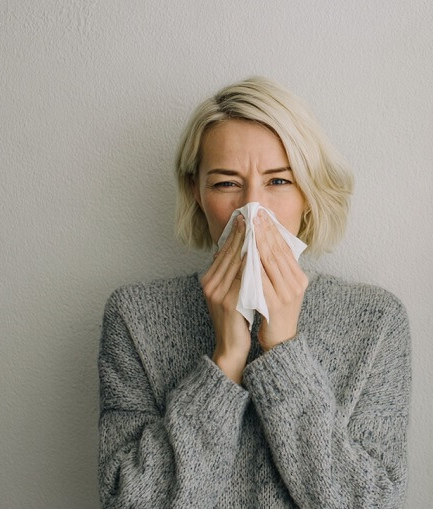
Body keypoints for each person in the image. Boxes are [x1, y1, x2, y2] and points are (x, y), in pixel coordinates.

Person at [98, 77, 410, 507]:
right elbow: (129, 502)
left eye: (278, 182)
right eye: (226, 183)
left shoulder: (375, 321)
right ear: (197, 193)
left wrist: (283, 353)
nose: (253, 209)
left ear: (309, 192)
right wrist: (225, 361)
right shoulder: (134, 317)